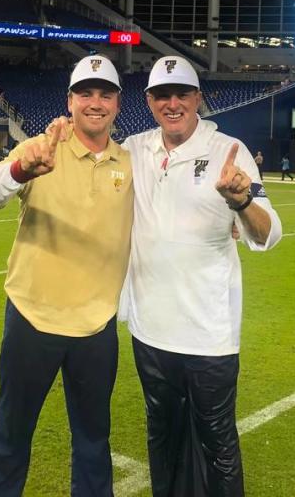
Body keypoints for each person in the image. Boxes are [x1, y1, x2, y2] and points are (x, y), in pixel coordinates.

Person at [0, 55, 133, 496]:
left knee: (94, 444)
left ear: (118, 104)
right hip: (31, 318)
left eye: (105, 94)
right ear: (70, 100)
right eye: (86, 93)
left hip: (96, 327)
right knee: (11, 438)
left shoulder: (130, 163)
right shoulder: (42, 147)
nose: (95, 103)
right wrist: (21, 169)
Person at [121, 56, 282, 497]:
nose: (172, 104)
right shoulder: (134, 148)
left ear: (198, 99)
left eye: (182, 94)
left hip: (208, 333)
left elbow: (269, 235)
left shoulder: (229, 151)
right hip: (150, 329)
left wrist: (242, 203)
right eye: (162, 96)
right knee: (161, 434)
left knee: (217, 442)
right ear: (150, 102)